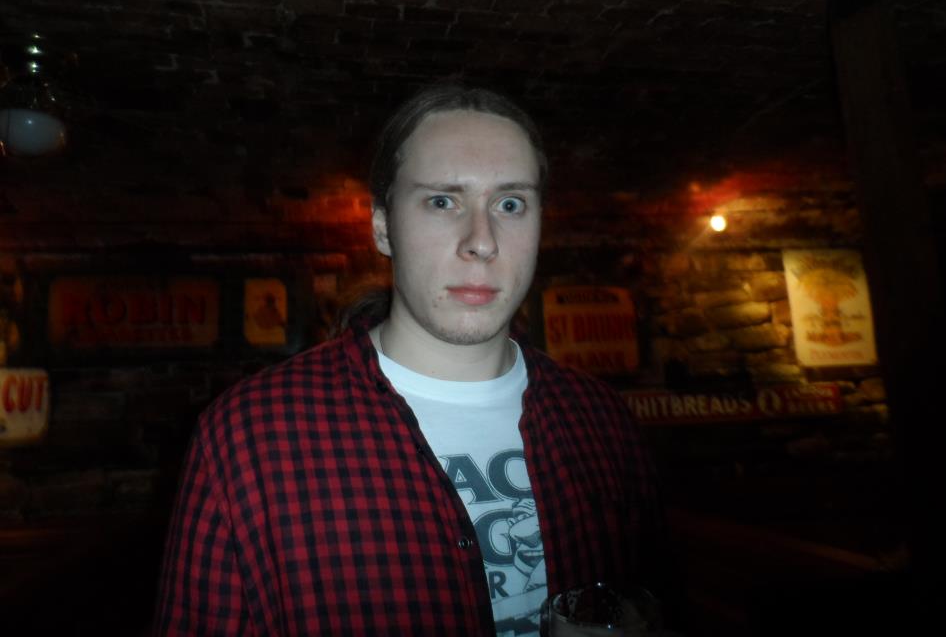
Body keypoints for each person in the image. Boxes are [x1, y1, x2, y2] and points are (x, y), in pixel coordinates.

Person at [153, 84, 666, 636]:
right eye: (443, 201)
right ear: (383, 227)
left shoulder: (602, 420)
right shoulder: (248, 437)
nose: (482, 242)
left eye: (510, 204)